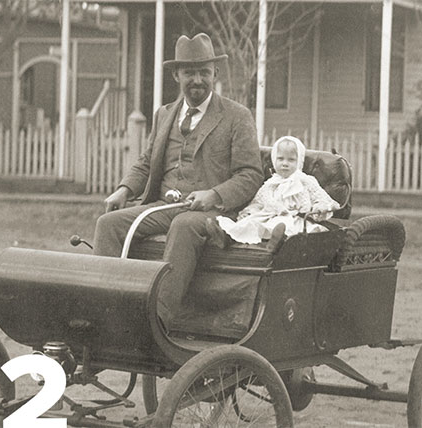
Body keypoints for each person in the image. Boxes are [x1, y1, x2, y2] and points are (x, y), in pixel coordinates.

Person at [92, 33, 263, 328]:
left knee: (184, 226)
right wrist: (124, 189)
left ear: (215, 74)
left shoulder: (237, 116)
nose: (197, 80)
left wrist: (214, 194)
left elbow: (251, 175)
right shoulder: (164, 114)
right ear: (176, 75)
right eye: (189, 73)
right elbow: (147, 161)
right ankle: (105, 315)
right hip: (163, 205)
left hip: (211, 213)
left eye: (204, 73)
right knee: (108, 224)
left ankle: (157, 320)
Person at [207, 136, 340, 247]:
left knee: (283, 225)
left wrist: (318, 207)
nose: (285, 164)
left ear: (299, 161)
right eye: (280, 159)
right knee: (251, 222)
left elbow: (322, 198)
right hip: (269, 217)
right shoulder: (271, 183)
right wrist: (249, 212)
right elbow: (259, 201)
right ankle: (226, 237)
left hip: (295, 219)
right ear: (274, 159)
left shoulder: (305, 180)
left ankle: (277, 243)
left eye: (291, 160)